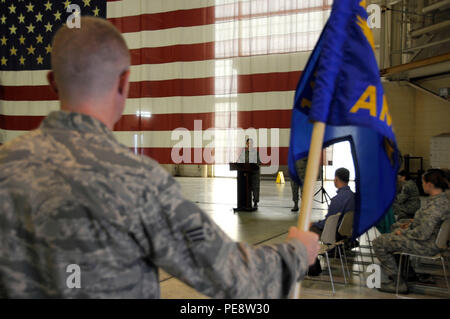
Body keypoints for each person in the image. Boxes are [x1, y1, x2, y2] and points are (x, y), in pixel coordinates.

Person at [0, 17, 320, 299]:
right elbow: (235, 279)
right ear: (124, 82)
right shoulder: (138, 182)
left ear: (52, 84)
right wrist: (295, 253)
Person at [373, 169, 450, 294]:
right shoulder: (442, 201)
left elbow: (422, 234)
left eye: (423, 182)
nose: (422, 185)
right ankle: (407, 272)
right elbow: (426, 223)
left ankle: (398, 282)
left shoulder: (436, 206)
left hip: (426, 245)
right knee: (394, 228)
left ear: (429, 185)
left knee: (379, 242)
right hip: (432, 241)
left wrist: (402, 232)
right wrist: (409, 224)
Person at [308, 167, 355, 275]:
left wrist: (315, 224)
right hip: (347, 231)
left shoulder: (337, 199)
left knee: (308, 230)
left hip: (334, 234)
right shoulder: (353, 196)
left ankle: (312, 266)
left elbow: (328, 223)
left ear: (336, 179)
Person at [237, 138, 261, 208]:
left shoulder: (255, 152)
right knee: (246, 188)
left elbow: (258, 162)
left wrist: (252, 164)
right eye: (248, 143)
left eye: (251, 143)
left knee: (255, 188)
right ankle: (245, 202)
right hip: (246, 174)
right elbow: (239, 161)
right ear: (246, 144)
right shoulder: (243, 152)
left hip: (254, 173)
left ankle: (255, 202)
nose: (249, 144)